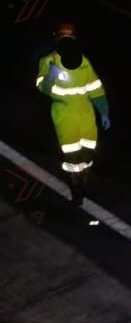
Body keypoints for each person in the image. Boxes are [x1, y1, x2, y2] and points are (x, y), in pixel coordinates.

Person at [36, 22, 109, 205]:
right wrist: (50, 77)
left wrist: (104, 111)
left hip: (86, 115)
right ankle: (76, 188)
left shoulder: (83, 62)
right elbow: (43, 88)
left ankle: (82, 180)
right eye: (63, 38)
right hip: (64, 115)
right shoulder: (48, 61)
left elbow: (96, 89)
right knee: (71, 155)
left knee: (88, 151)